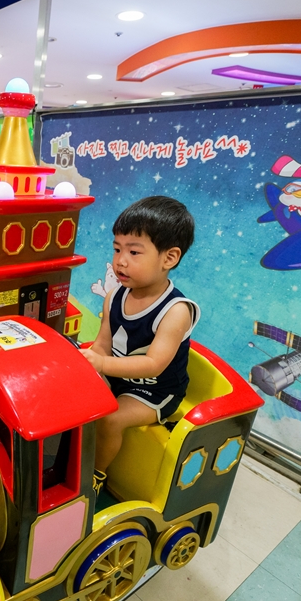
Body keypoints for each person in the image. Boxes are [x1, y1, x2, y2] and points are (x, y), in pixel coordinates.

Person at [80, 196, 198, 495]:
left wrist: (102, 364)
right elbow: (103, 344)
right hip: (119, 378)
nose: (120, 260)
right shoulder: (114, 296)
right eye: (117, 249)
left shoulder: (175, 311)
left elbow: (153, 364)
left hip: (155, 391)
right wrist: (90, 362)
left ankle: (95, 475)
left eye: (134, 252)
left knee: (110, 419)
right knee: (77, 398)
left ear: (169, 258)